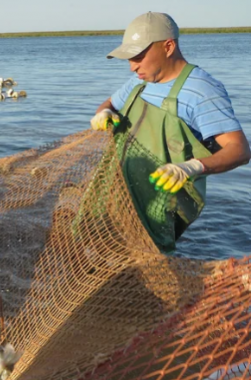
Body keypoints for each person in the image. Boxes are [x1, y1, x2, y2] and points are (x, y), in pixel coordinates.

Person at [90, 12, 251, 252]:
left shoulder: (201, 90)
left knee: (143, 262)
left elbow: (240, 150)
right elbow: (109, 104)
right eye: (129, 58)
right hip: (117, 191)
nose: (133, 66)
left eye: (139, 56)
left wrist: (191, 167)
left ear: (168, 46)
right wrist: (103, 113)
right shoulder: (139, 81)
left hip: (159, 205)